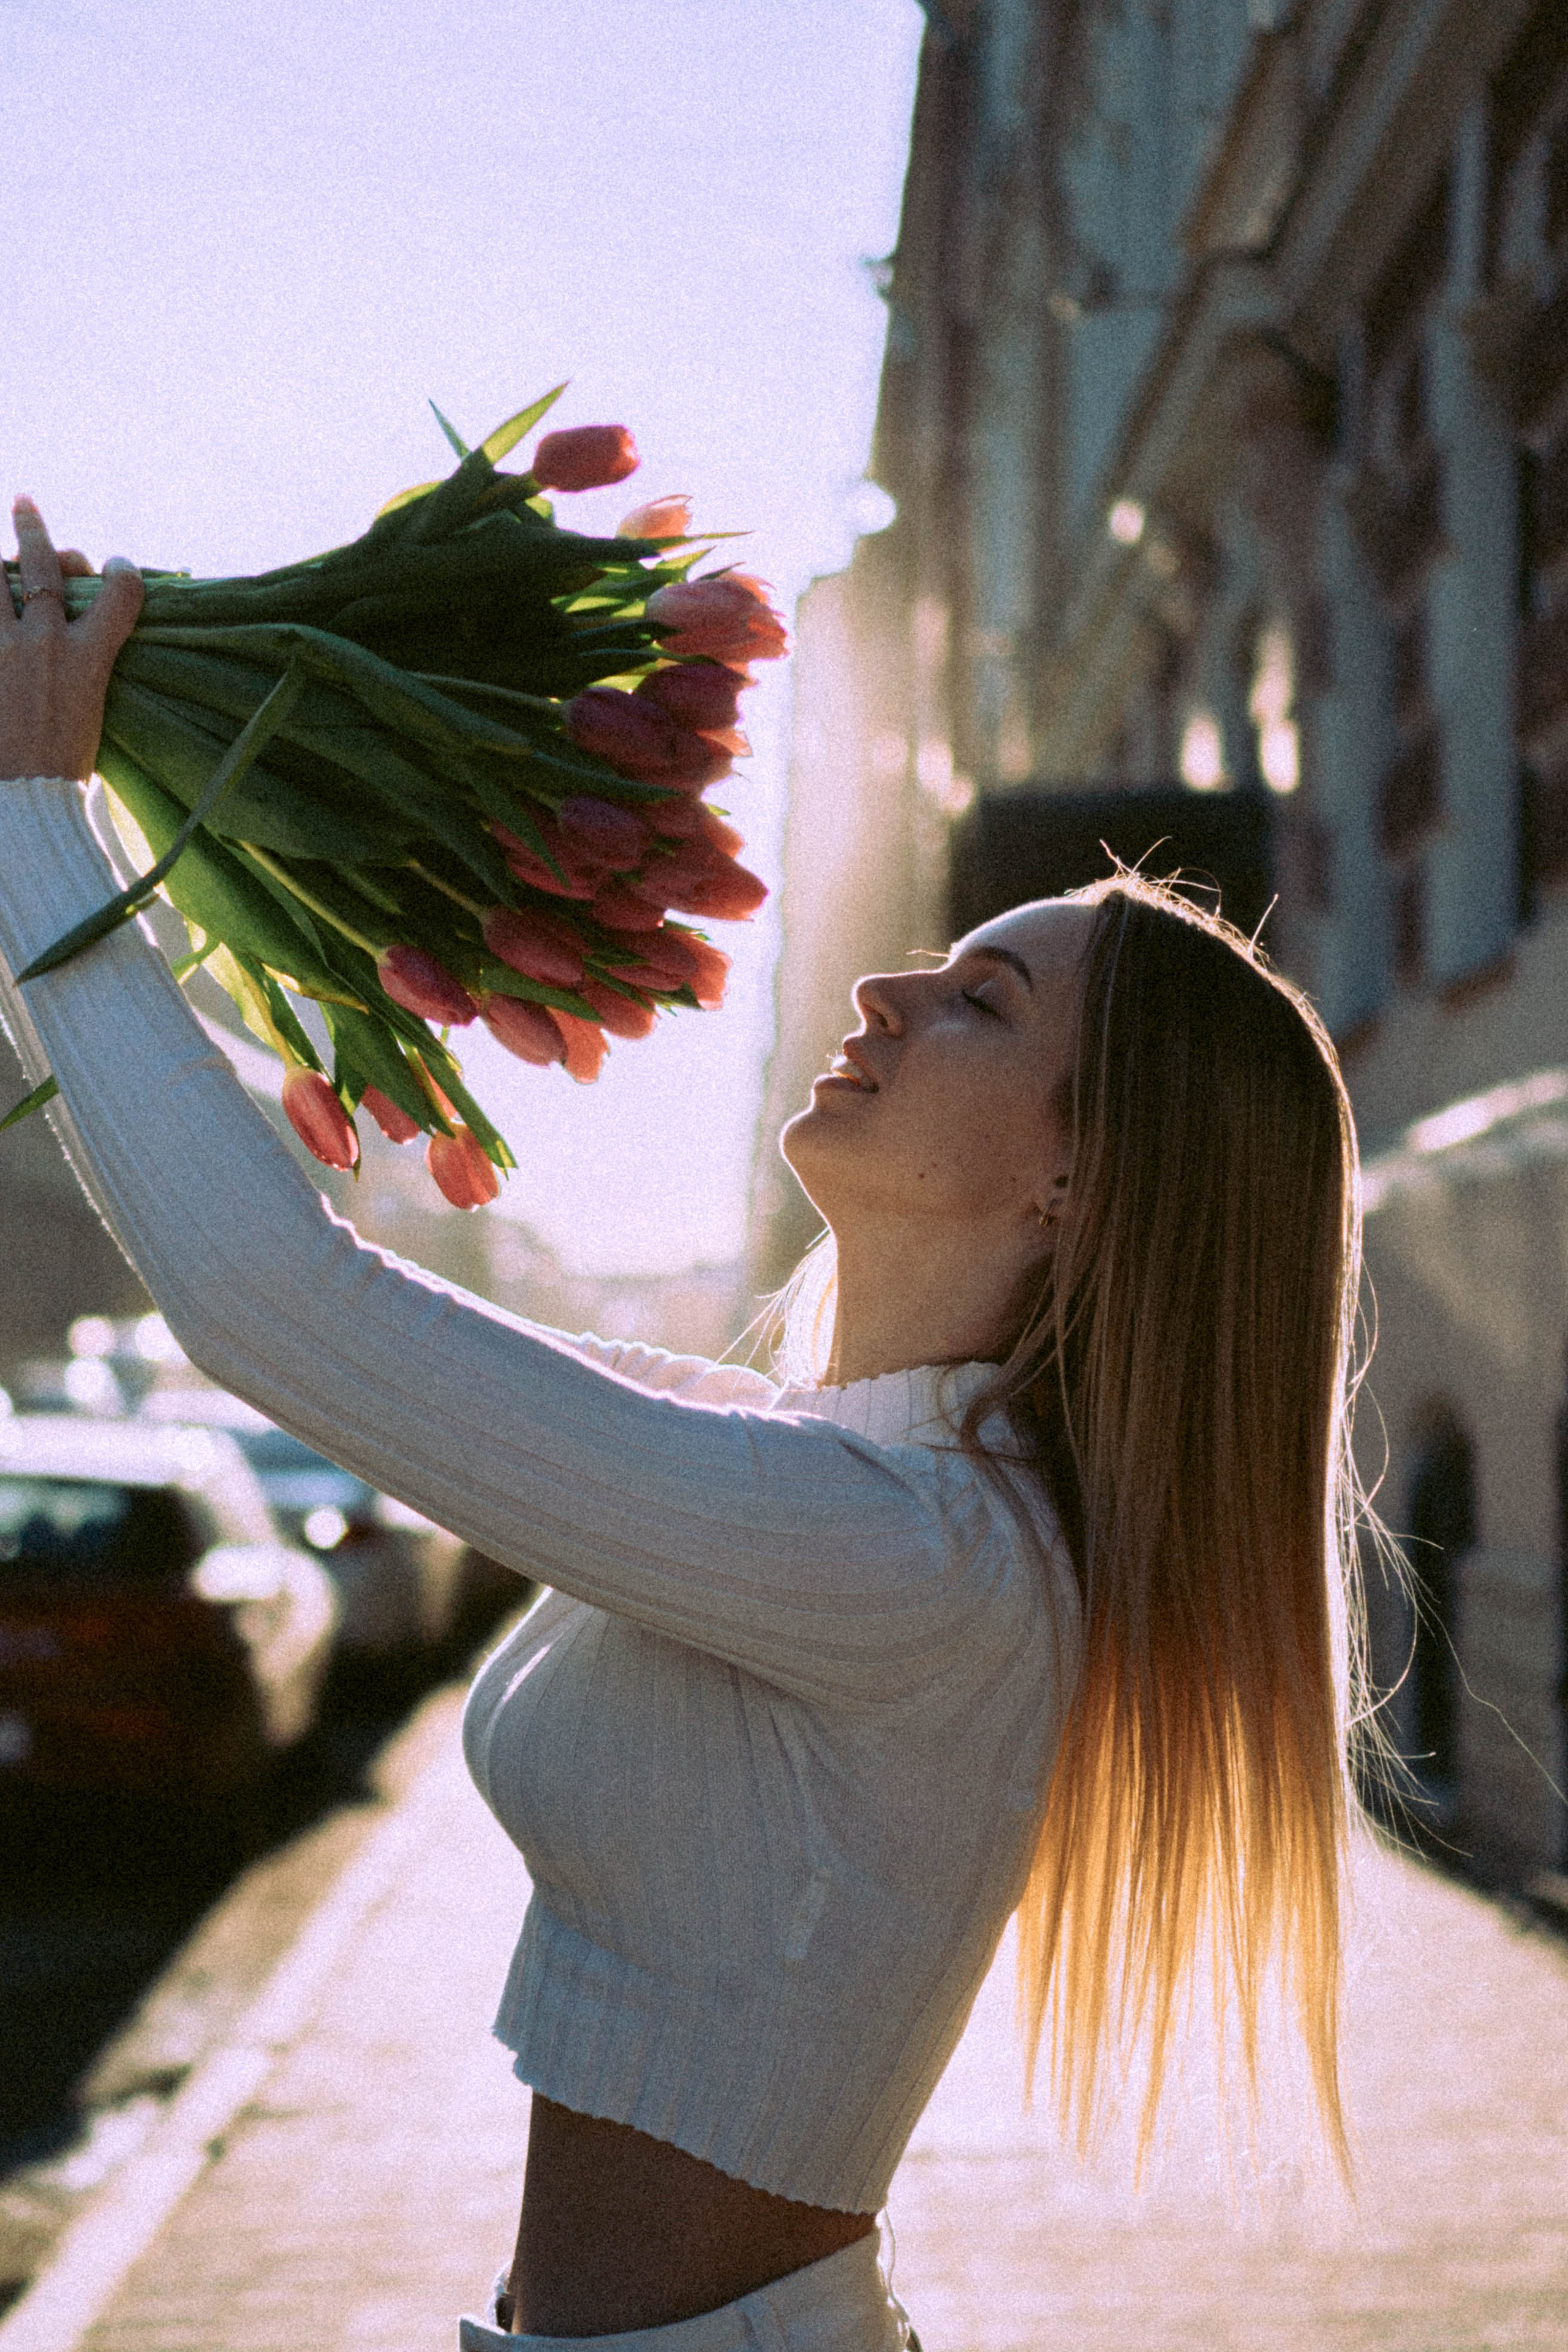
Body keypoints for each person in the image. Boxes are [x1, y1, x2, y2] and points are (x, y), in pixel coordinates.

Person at [0, 500, 1368, 2349]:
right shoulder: (847, 1482)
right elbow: (316, 1294)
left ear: (1080, 1179)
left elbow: (282, 1309)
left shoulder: (925, 1557)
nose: (885, 988)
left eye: (983, 1003)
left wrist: (38, 808)